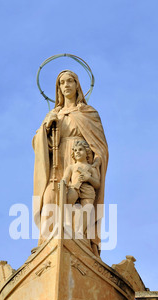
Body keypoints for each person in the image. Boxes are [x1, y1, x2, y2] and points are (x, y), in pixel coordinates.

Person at [32, 70, 109, 255]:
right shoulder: (54, 114)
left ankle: (81, 242)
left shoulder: (88, 113)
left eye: (70, 81)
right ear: (58, 88)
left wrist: (92, 168)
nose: (66, 85)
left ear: (77, 85)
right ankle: (46, 244)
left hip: (79, 161)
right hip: (57, 163)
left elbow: (100, 148)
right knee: (50, 197)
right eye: (62, 83)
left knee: (79, 204)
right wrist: (46, 128)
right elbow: (38, 143)